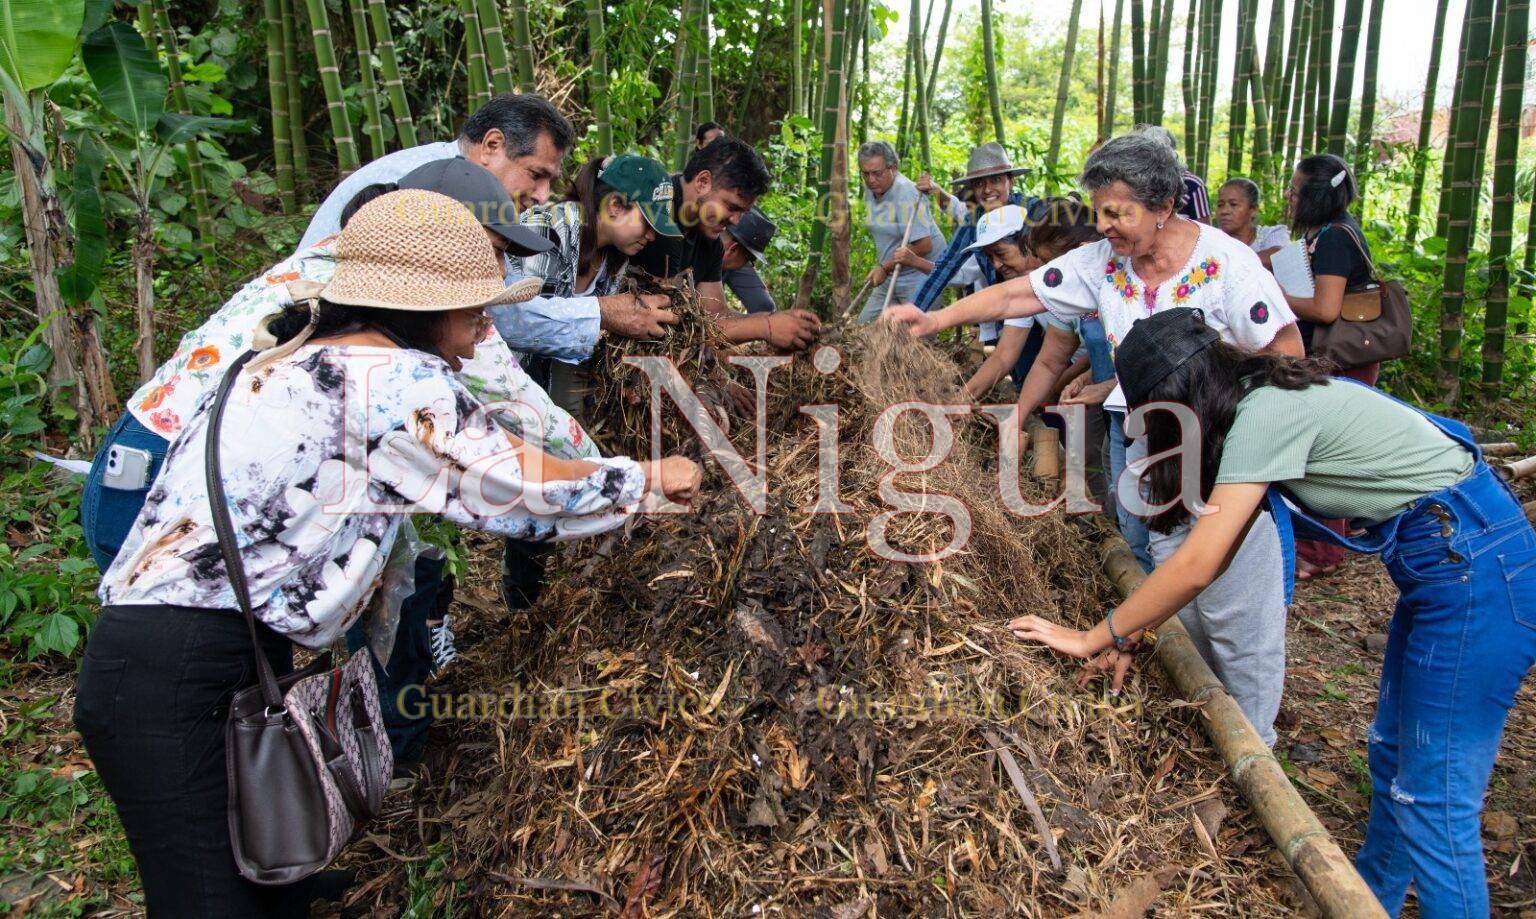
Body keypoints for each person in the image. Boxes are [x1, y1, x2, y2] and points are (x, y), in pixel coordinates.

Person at [76, 189, 703, 917]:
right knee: (208, 899)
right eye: (474, 310)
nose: (485, 328)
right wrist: (645, 479)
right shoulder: (392, 381)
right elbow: (518, 488)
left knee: (260, 859)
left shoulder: (285, 357)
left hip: (182, 652)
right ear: (419, 308)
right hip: (182, 671)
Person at [1010, 307, 1536, 919]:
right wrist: (1127, 635)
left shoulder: (1265, 414)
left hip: (1476, 570)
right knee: (1396, 758)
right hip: (1449, 563)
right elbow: (1219, 548)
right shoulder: (1257, 398)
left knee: (1435, 799)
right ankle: (1374, 905)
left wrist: (1092, 636)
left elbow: (1198, 563)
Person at [885, 129, 1304, 743]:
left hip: (1227, 458)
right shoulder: (1105, 261)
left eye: (1117, 213)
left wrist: (1241, 435)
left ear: (1163, 206)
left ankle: (1256, 745)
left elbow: (1287, 356)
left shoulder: (1227, 266)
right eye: (1100, 212)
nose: (1103, 226)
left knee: (1238, 618)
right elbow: (1025, 291)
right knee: (1178, 600)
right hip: (1154, 457)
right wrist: (937, 317)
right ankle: (1208, 733)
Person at [298, 93, 676, 352]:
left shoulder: (467, 195)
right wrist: (603, 312)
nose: (543, 195)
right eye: (536, 175)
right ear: (492, 146)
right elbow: (503, 319)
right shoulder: (431, 191)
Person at [512, 153, 681, 420]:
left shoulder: (614, 259)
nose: (651, 236)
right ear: (614, 205)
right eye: (647, 223)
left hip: (548, 391)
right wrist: (604, 312)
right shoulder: (549, 228)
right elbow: (519, 321)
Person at [972, 197, 1115, 508]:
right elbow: (1025, 357)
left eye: (1001, 253)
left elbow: (1109, 349)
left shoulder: (1102, 279)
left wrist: (1078, 380)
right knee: (1098, 461)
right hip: (1092, 389)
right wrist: (968, 400)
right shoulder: (1038, 288)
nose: (997, 265)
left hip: (1119, 391)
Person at [1281, 155, 1381, 580]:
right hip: (1331, 357)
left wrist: (1273, 294)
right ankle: (1336, 533)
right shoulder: (1322, 232)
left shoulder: (1336, 238)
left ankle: (1321, 551)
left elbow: (1325, 308)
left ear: (1316, 196)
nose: (1289, 197)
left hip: (1342, 358)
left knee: (1325, 450)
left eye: (1295, 190)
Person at [629, 135, 821, 350]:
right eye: (732, 207)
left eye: (743, 212)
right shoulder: (657, 216)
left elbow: (715, 317)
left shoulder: (709, 241)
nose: (736, 221)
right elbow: (668, 325)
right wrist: (765, 326)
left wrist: (774, 321)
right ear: (702, 182)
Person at [909, 141, 1030, 341]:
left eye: (996, 180)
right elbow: (945, 267)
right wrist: (912, 314)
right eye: (979, 184)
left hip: (1041, 312)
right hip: (1004, 316)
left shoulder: (1031, 212)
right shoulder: (975, 221)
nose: (987, 189)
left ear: (1011, 181)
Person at [855, 140, 947, 324]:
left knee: (915, 335)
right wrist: (883, 268)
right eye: (865, 173)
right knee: (863, 328)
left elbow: (924, 245)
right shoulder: (871, 189)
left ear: (893, 168)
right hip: (891, 272)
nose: (871, 179)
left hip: (920, 274)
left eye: (877, 173)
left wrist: (884, 268)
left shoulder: (906, 193)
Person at [1141, 125, 1211, 224]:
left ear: (1172, 152)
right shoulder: (1136, 183)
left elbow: (1204, 227)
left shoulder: (1192, 184)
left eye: (1161, 151)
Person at [1214, 177, 1289, 266]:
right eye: (1220, 205)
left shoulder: (1270, 234)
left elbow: (1280, 255)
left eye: (1233, 204)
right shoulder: (1211, 240)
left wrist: (1228, 264)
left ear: (1253, 210)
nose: (1224, 211)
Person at [720, 206, 778, 314]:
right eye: (752, 259)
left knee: (764, 307)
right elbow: (711, 310)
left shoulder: (735, 258)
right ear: (733, 249)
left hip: (731, 255)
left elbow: (763, 307)